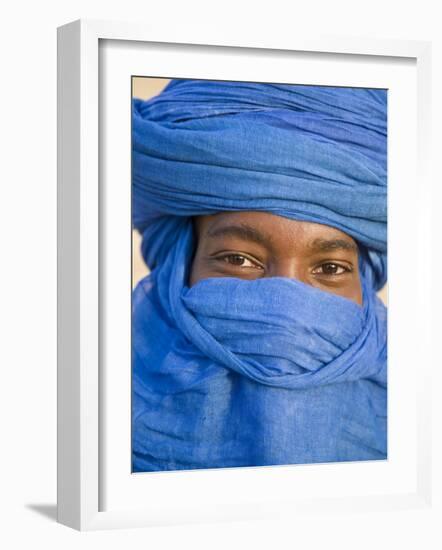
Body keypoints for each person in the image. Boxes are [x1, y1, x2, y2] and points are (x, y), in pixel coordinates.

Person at [131, 79, 387, 472]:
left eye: (330, 268)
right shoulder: (81, 415)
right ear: (179, 266)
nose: (285, 312)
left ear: (366, 285)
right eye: (238, 259)